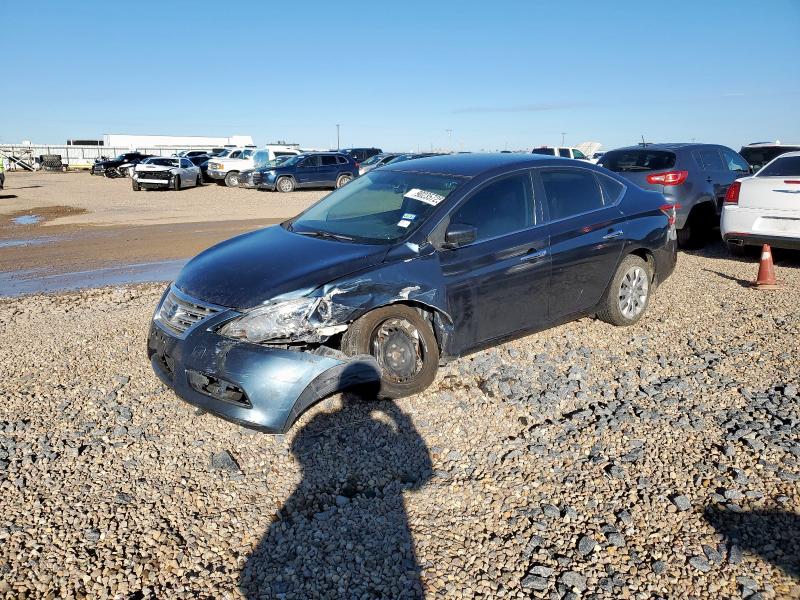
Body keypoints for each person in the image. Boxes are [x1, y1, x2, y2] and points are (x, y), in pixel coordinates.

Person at [239, 393, 433, 598]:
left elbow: (297, 447)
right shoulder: (381, 431)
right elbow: (423, 478)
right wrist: (403, 421)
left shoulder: (321, 423)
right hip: (390, 515)